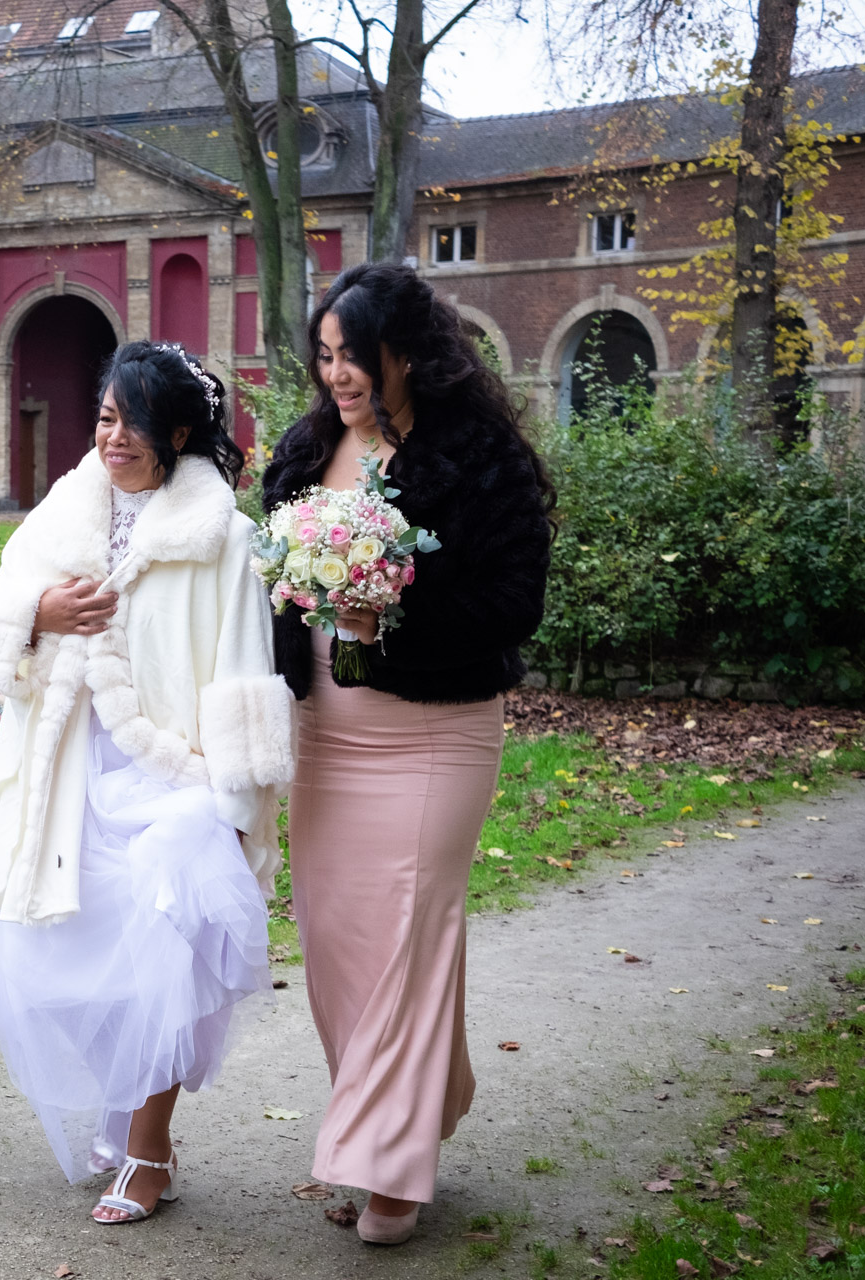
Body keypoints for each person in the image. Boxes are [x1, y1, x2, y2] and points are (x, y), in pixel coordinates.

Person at [0, 340, 295, 1225]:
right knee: (62, 964)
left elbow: (244, 670)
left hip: (172, 777)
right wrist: (39, 613)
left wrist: (235, 809)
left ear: (177, 433)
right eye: (106, 417)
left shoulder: (222, 539)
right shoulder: (64, 512)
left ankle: (147, 1146)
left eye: (134, 422)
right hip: (66, 766)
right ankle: (129, 1115)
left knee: (164, 952)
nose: (114, 437)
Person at [260, 262, 555, 1245]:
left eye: (354, 355)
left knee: (404, 930)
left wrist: (393, 611)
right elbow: (271, 575)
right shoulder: (308, 448)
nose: (336, 373)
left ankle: (386, 1160)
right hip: (326, 737)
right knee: (341, 943)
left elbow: (515, 602)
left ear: (408, 354)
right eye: (325, 354)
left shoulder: (478, 455)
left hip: (434, 732)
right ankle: (393, 1117)